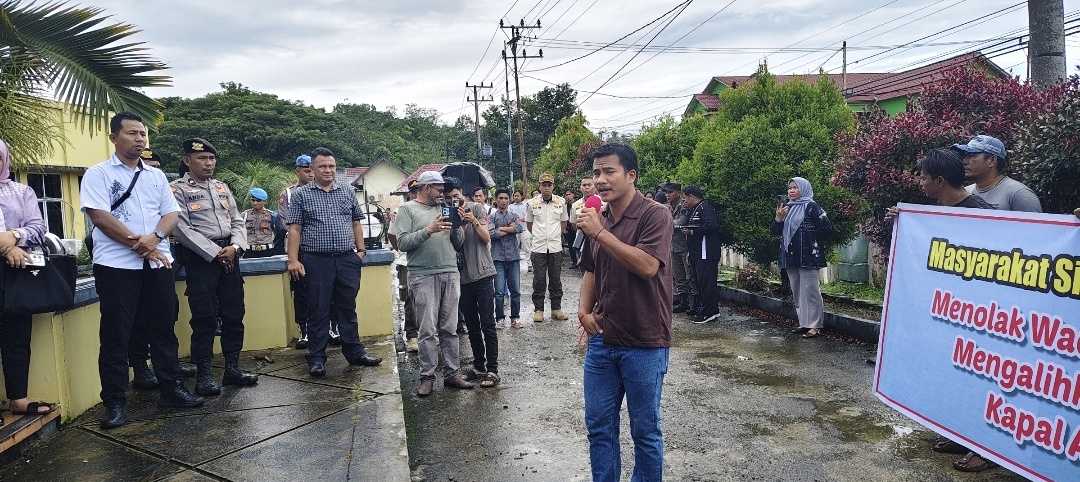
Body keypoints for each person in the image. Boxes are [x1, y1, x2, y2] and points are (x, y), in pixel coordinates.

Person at [81, 112, 204, 429]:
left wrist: (156, 240)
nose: (140, 138)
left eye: (143, 133)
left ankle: (172, 389)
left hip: (157, 262)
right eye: (132, 133)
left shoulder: (155, 176)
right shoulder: (98, 174)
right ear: (114, 138)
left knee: (163, 328)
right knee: (116, 335)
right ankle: (115, 403)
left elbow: (170, 215)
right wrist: (141, 244)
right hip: (116, 265)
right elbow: (100, 217)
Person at [575, 143, 673, 481]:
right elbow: (590, 269)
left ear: (631, 175)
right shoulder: (597, 219)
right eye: (595, 173)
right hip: (603, 339)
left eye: (609, 171)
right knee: (599, 427)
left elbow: (647, 265)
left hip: (645, 340)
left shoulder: (655, 214)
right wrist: (583, 312)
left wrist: (600, 233)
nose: (600, 180)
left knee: (645, 431)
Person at [170, 138, 260, 396]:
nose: (208, 163)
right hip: (201, 259)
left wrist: (235, 247)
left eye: (211, 159)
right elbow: (180, 227)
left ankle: (232, 368)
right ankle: (205, 375)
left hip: (230, 257)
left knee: (234, 314)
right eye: (202, 159)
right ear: (188, 160)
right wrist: (214, 253)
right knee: (204, 318)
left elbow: (237, 220)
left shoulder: (221, 187)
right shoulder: (176, 190)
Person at [285, 147, 382, 378]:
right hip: (316, 260)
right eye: (322, 167)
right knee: (318, 309)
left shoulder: (347, 190)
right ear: (313, 169)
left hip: (346, 258)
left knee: (347, 308)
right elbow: (294, 229)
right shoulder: (301, 195)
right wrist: (292, 260)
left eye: (331, 166)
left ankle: (354, 352)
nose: (328, 170)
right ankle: (317, 358)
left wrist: (360, 251)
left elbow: (357, 222)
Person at [394, 171, 475, 396]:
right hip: (422, 275)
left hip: (450, 272)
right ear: (426, 187)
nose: (443, 192)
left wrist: (459, 224)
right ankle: (427, 376)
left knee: (450, 328)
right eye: (439, 188)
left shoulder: (445, 209)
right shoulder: (407, 209)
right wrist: (429, 230)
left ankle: (452, 374)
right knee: (427, 329)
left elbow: (458, 244)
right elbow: (402, 243)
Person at [127, 148, 197, 389]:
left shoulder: (160, 190)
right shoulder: (125, 192)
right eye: (148, 164)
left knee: (168, 314)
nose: (152, 170)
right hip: (129, 259)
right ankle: (140, 368)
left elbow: (172, 219)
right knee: (137, 319)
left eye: (156, 166)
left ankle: (168, 367)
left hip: (163, 259)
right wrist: (145, 244)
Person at [0, 139, 56, 419]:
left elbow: (37, 226)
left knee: (17, 335)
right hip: (11, 256)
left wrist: (14, 238)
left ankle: (18, 398)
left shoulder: (21, 191)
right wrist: (6, 246)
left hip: (15, 271)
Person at [771, 177, 833, 339]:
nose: (791, 191)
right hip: (790, 256)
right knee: (797, 290)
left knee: (811, 291)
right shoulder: (786, 208)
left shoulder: (812, 207)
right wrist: (778, 219)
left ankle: (815, 325)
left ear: (804, 189)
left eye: (795, 188)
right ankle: (804, 323)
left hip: (808, 256)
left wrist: (810, 239)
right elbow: (775, 232)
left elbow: (827, 228)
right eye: (789, 188)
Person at [451, 186, 500, 388]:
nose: (453, 199)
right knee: (471, 325)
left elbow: (486, 237)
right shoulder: (448, 215)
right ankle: (479, 365)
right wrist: (457, 223)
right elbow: (455, 243)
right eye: (449, 197)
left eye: (455, 195)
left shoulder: (477, 209)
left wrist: (472, 220)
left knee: (488, 323)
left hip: (484, 273)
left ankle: (493, 369)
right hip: (463, 278)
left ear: (462, 193)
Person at [280, 154, 316, 349]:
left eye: (312, 169)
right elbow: (286, 222)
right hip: (299, 249)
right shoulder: (288, 194)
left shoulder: (322, 190)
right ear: (298, 171)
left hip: (320, 248)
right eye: (306, 170)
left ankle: (330, 327)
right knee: (301, 291)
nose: (310, 174)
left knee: (327, 289)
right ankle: (304, 330)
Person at [953, 135, 1042, 212]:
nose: (964, 161)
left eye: (972, 155)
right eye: (965, 156)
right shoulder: (966, 192)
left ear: (991, 160)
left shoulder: (1019, 194)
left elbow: (1036, 230)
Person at [526, 173, 569, 323]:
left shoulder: (561, 202)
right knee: (538, 279)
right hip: (538, 247)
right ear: (539, 186)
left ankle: (556, 309)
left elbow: (563, 223)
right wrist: (540, 236)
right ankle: (538, 310)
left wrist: (555, 235)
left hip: (555, 247)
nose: (546, 187)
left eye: (549, 185)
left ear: (553, 186)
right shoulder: (531, 203)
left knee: (556, 279)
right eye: (543, 184)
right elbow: (529, 225)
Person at [389, 179, 421, 353]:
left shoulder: (429, 209)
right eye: (413, 190)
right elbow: (392, 235)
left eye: (418, 190)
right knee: (410, 298)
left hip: (425, 261)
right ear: (409, 193)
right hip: (406, 261)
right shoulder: (401, 211)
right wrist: (400, 250)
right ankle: (412, 336)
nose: (415, 193)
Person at [683, 185, 722, 322]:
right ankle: (711, 310)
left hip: (706, 252)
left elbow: (711, 226)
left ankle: (709, 312)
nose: (684, 201)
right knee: (702, 282)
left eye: (685, 197)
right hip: (697, 252)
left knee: (707, 282)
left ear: (692, 196)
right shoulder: (695, 209)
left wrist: (692, 231)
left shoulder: (705, 207)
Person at [490, 188, 524, 329]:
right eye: (501, 198)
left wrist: (502, 229)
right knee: (498, 292)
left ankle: (515, 318)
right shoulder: (491, 217)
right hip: (498, 258)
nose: (503, 201)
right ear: (496, 200)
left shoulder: (514, 215)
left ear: (509, 200)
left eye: (506, 198)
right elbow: (491, 233)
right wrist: (508, 228)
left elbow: (520, 228)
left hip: (513, 258)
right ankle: (499, 318)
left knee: (515, 290)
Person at [665, 183, 694, 314]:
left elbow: (681, 222)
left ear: (678, 192)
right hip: (674, 245)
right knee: (679, 276)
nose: (667, 195)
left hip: (685, 246)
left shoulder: (683, 205)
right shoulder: (669, 206)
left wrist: (664, 221)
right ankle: (683, 302)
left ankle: (693, 305)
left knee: (690, 276)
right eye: (666, 192)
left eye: (670, 192)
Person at [242, 187, 283, 259]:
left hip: (268, 251)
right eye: (253, 200)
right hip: (249, 251)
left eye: (258, 201)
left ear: (265, 202)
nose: (255, 203)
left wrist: (276, 251)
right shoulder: (244, 215)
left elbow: (280, 234)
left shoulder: (272, 215)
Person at [510, 190, 530, 272]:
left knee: (527, 247)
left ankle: (529, 264)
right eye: (515, 196)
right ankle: (515, 264)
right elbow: (510, 216)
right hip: (514, 230)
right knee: (514, 247)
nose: (516, 197)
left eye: (518, 195)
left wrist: (523, 219)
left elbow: (529, 216)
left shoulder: (526, 205)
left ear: (522, 196)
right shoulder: (510, 206)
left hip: (525, 229)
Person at [563, 191, 579, 265]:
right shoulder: (564, 206)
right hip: (568, 229)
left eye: (569, 194)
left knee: (579, 246)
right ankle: (574, 262)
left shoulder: (578, 204)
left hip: (578, 228)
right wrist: (564, 229)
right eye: (566, 195)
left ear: (573, 195)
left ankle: (581, 261)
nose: (567, 196)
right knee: (570, 245)